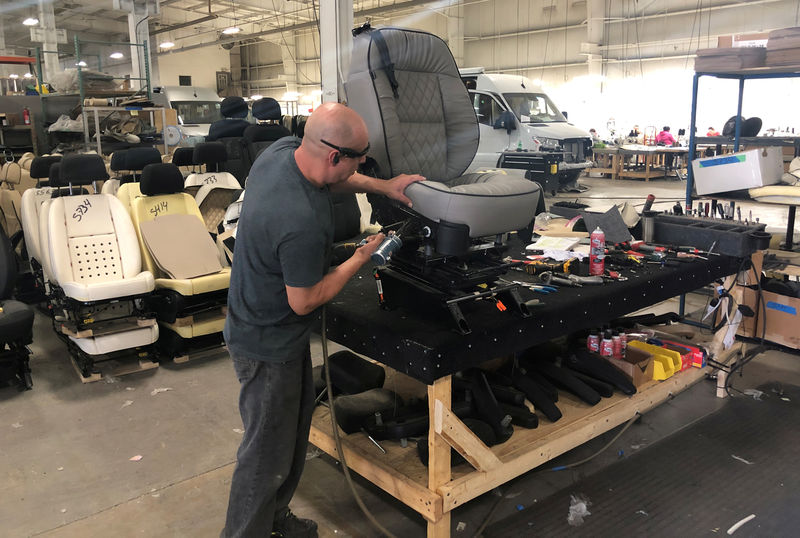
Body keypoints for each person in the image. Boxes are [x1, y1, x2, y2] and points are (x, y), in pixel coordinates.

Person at [221, 102, 424, 538]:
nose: (363, 164)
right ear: (336, 155)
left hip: (269, 327)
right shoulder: (298, 220)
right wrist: (360, 258)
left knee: (290, 442)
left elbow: (340, 177)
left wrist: (386, 186)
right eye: (360, 157)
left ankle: (274, 521)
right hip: (267, 340)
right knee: (265, 457)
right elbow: (305, 299)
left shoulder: (280, 153)